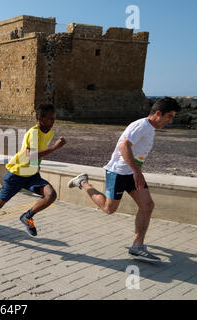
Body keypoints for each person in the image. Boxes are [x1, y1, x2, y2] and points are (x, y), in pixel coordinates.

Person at [67, 97, 181, 262]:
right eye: (169, 116)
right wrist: (137, 171)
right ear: (157, 113)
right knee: (109, 209)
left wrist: (135, 171)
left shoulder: (150, 128)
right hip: (119, 173)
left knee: (147, 206)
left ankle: (137, 246)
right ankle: (82, 182)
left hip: (132, 173)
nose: (170, 121)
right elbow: (124, 146)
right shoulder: (141, 125)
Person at [0, 104, 66, 237]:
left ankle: (27, 216)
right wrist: (54, 148)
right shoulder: (33, 132)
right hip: (17, 174)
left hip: (32, 175)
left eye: (54, 119)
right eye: (50, 119)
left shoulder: (50, 133)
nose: (53, 122)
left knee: (51, 195)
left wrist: (37, 166)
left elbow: (37, 154)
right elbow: (31, 155)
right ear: (40, 118)